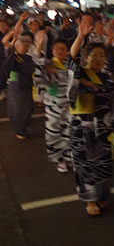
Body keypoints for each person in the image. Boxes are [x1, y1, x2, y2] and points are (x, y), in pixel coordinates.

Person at [68, 16, 114, 217]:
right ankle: (90, 200)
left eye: (101, 56)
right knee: (86, 165)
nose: (98, 59)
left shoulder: (108, 76)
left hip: (104, 129)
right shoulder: (82, 73)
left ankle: (102, 195)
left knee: (104, 163)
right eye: (94, 55)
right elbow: (71, 60)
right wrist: (80, 36)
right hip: (82, 128)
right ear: (86, 57)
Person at [41, 38, 72, 173]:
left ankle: (68, 158)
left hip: (69, 107)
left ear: (67, 51)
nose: (60, 51)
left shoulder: (71, 65)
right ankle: (60, 160)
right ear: (53, 50)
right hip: (53, 107)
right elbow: (40, 81)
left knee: (69, 133)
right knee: (53, 134)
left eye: (63, 49)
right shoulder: (46, 65)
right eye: (57, 48)